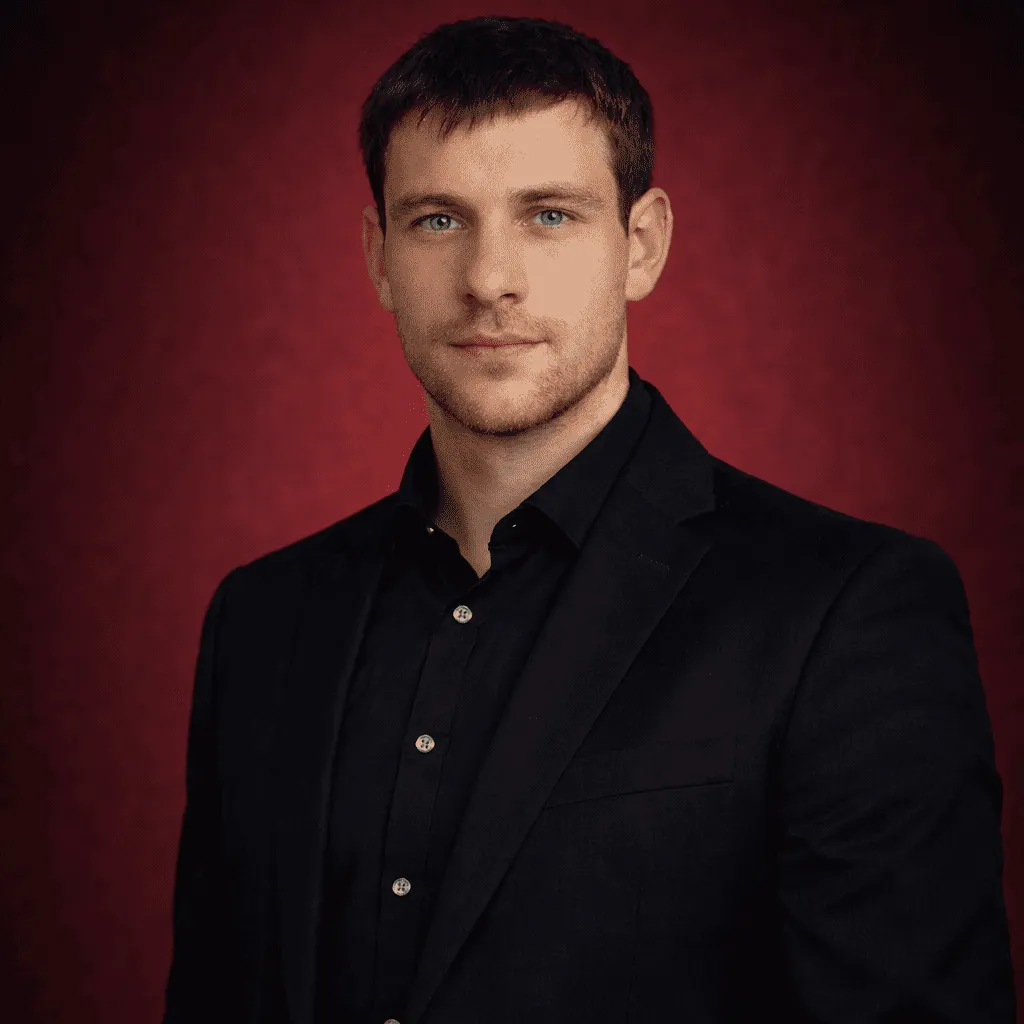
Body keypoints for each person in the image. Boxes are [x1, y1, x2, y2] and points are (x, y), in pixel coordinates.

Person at [163, 15, 1016, 1024]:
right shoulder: (260, 620)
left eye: (549, 215)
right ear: (378, 256)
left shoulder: (845, 611)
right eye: (437, 220)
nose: (489, 279)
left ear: (640, 246)